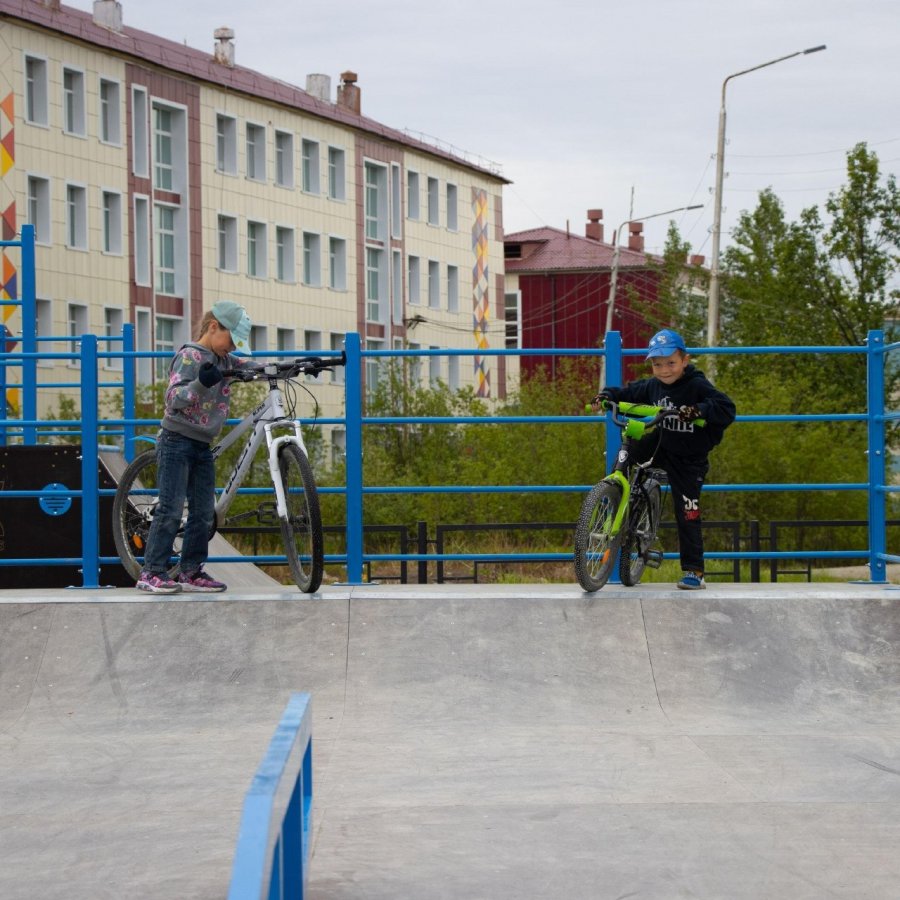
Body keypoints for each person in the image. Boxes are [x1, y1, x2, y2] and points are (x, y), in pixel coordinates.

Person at [594, 328, 736, 590]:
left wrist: (698, 410)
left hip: (689, 458)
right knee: (627, 452)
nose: (664, 370)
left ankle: (694, 571)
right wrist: (608, 396)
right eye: (657, 365)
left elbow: (726, 408)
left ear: (685, 360)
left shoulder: (696, 385)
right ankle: (618, 501)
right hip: (663, 444)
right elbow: (630, 392)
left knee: (687, 512)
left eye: (671, 363)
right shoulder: (653, 386)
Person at [135, 300, 254, 594]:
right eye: (231, 341)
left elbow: (252, 367)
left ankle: (191, 570)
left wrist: (296, 366)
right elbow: (172, 399)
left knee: (203, 512)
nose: (233, 348)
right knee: (171, 508)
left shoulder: (225, 360)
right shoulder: (190, 356)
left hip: (202, 444)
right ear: (213, 327)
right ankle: (151, 571)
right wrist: (201, 383)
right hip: (176, 440)